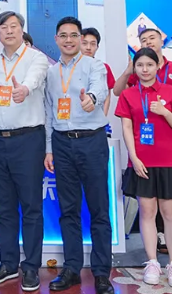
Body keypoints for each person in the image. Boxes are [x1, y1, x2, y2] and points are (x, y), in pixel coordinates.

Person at [43, 18, 113, 294]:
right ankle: (72, 268)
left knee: (99, 209)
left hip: (91, 141)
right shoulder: (51, 73)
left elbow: (100, 88)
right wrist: (49, 148)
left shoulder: (94, 65)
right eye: (64, 35)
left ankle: (101, 273)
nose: (69, 40)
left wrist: (91, 99)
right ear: (57, 39)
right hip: (62, 143)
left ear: (81, 39)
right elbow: (49, 111)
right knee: (68, 209)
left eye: (74, 35)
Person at [0, 11, 50, 292]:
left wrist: (24, 89)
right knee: (4, 207)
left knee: (31, 207)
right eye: (3, 27)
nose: (9, 31)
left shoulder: (36, 58)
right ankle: (8, 264)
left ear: (22, 30)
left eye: (13, 26)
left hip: (28, 140)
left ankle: (31, 266)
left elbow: (34, 78)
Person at [116, 48, 172, 289]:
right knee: (147, 212)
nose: (145, 69)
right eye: (140, 65)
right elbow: (127, 128)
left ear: (158, 66)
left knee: (170, 213)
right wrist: (134, 158)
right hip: (142, 162)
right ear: (135, 68)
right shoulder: (128, 94)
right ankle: (152, 262)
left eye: (149, 64)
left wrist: (165, 111)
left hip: (170, 161)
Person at [80, 27, 115, 117]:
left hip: (96, 116)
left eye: (93, 44)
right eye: (84, 43)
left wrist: (104, 116)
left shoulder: (104, 67)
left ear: (97, 47)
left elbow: (107, 96)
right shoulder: (71, 67)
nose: (88, 48)